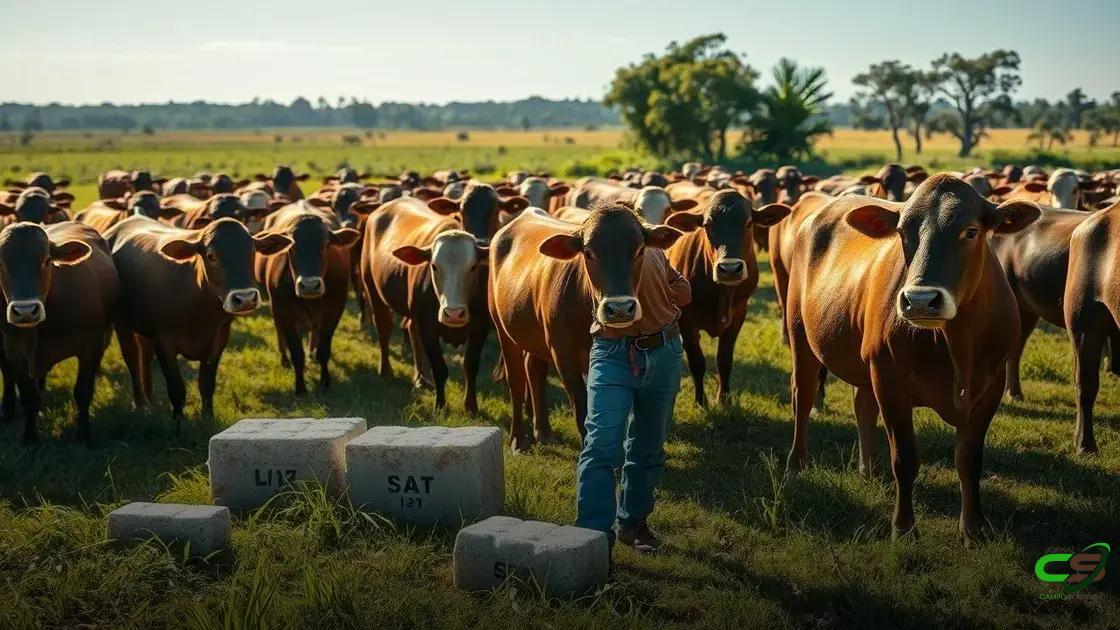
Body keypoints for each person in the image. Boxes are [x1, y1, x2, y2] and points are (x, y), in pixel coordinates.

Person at [576, 242, 691, 554]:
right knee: (601, 444)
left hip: (664, 350)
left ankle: (633, 523)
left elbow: (685, 292)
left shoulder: (654, 253)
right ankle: (593, 543)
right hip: (612, 353)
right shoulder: (592, 255)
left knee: (649, 444)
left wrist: (670, 289)